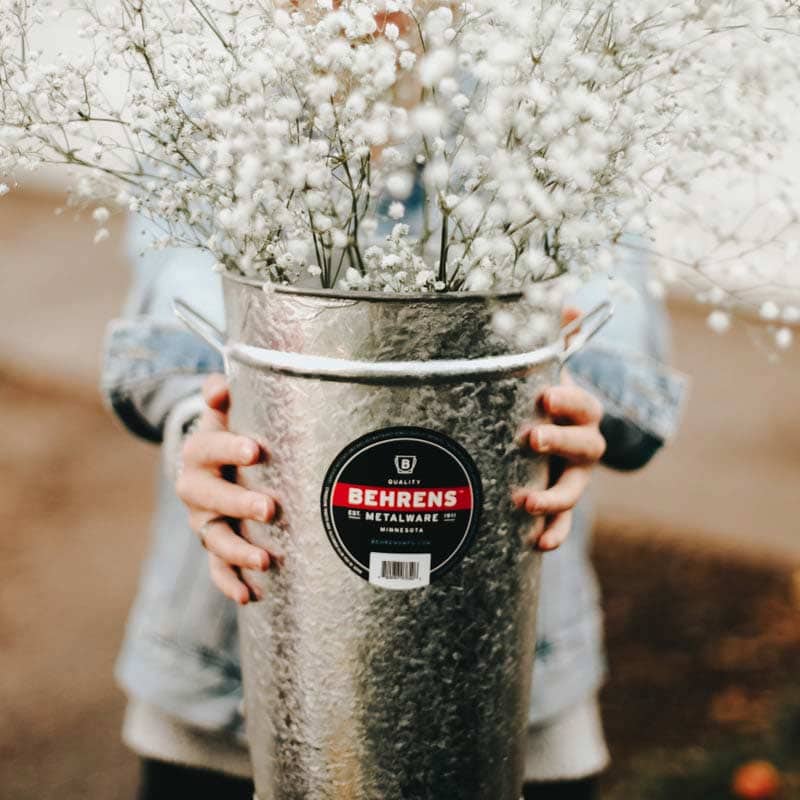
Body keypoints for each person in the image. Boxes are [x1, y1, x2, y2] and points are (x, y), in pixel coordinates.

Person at [102, 211, 685, 799]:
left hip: (508, 698)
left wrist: (561, 402)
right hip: (223, 682)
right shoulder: (215, 118)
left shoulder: (584, 123)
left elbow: (619, 321)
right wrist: (205, 431)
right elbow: (179, 291)